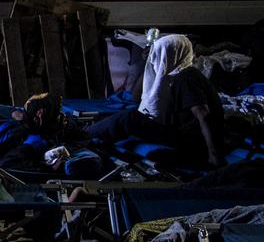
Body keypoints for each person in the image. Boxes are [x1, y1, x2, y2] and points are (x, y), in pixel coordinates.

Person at [88, 34, 225, 168]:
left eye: (159, 54)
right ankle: (87, 134)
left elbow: (203, 114)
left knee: (130, 118)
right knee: (125, 116)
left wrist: (214, 155)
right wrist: (148, 65)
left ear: (170, 54)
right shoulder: (171, 75)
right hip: (176, 129)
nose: (156, 58)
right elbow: (137, 98)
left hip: (190, 141)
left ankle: (82, 137)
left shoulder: (187, 77)